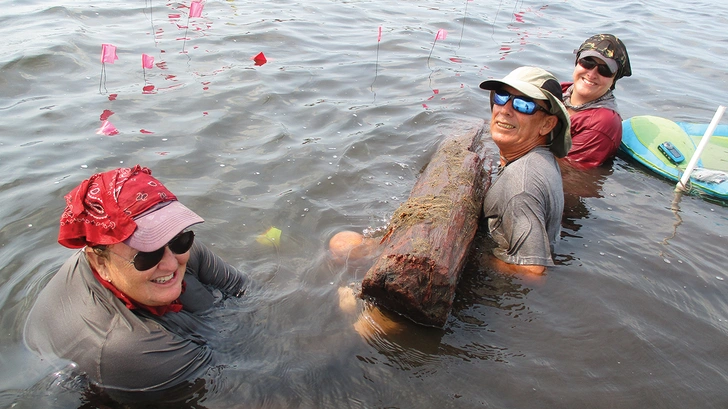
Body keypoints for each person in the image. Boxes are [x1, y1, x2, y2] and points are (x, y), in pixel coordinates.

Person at [24, 165, 254, 396]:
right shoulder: (127, 347)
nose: (171, 263)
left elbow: (244, 290)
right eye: (147, 253)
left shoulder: (164, 250)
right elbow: (239, 383)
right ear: (100, 263)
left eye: (178, 238)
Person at [479, 66, 572, 278]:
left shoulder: (521, 186)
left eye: (524, 105)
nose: (505, 109)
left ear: (547, 124)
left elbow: (532, 271)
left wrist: (479, 260)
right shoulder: (542, 158)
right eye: (501, 97)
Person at [561, 33, 632, 168]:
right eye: (587, 62)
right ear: (577, 62)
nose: (592, 74)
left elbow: (567, 171)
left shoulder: (602, 124)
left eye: (604, 70)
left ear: (613, 80)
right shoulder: (559, 91)